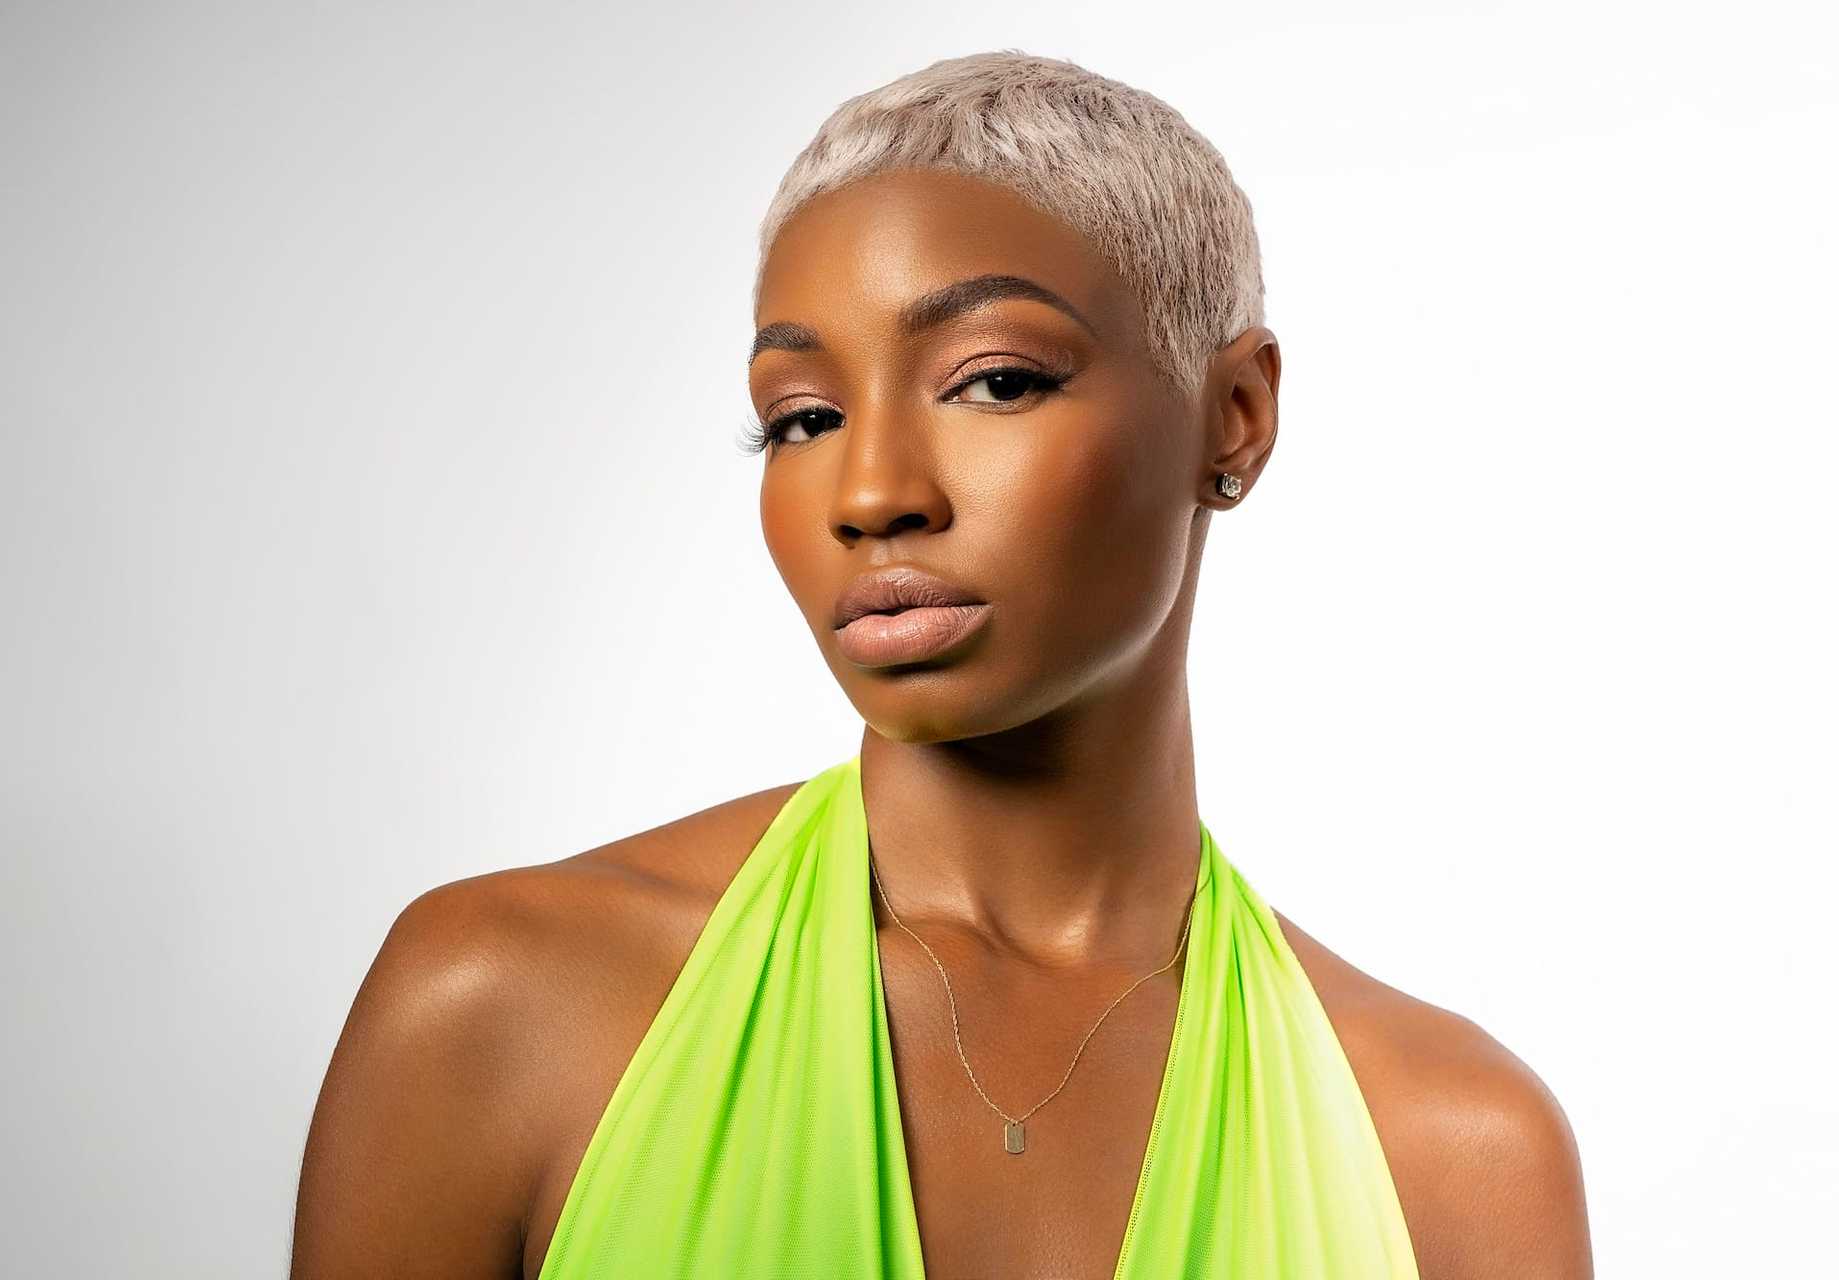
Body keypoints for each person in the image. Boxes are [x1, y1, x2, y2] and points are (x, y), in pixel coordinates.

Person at [291, 49, 1593, 1279]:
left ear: (1235, 414)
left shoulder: (1452, 1157)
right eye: (801, 417)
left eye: (995, 383)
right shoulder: (504, 1008)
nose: (868, 492)